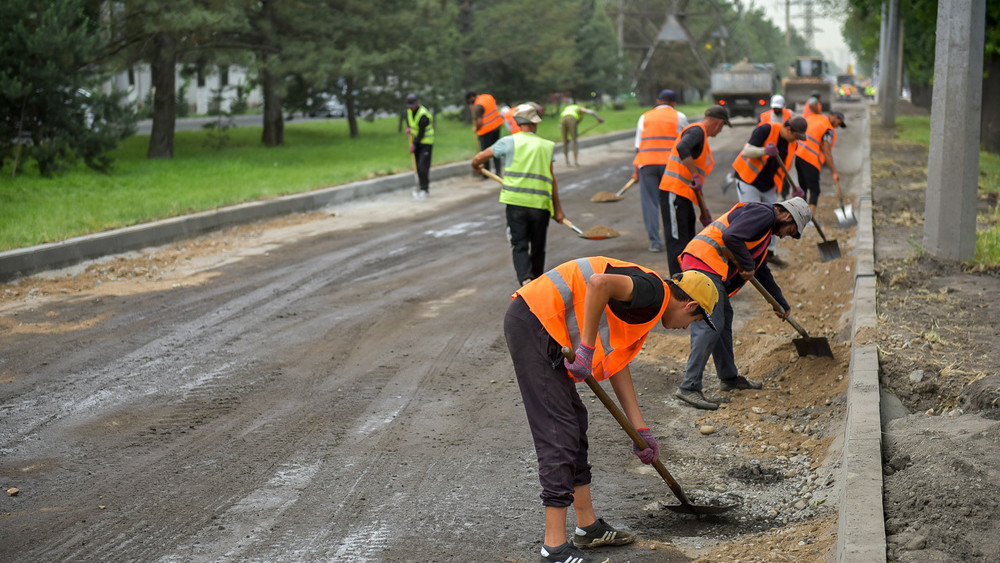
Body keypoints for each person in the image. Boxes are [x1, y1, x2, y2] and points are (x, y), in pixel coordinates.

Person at [505, 257, 719, 562]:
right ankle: (553, 548)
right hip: (536, 321)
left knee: (574, 423)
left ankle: (588, 527)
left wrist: (640, 429)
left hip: (544, 326)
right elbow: (598, 283)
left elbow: (618, 363)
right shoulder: (654, 292)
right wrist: (587, 348)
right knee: (558, 432)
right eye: (696, 320)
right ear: (690, 305)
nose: (688, 327)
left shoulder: (648, 306)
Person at [674, 198, 812, 410]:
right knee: (711, 322)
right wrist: (746, 264)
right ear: (787, 216)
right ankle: (689, 387)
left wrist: (780, 303)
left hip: (710, 266)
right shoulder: (764, 214)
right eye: (791, 231)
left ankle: (729, 378)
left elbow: (761, 269)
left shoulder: (764, 232)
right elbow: (731, 236)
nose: (785, 236)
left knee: (723, 318)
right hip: (704, 262)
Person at [472, 103, 564, 286]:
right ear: (535, 123)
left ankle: (525, 279)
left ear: (518, 123)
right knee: (538, 247)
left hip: (516, 204)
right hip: (540, 205)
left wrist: (476, 165)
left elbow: (480, 157)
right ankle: (536, 282)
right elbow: (552, 179)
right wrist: (558, 210)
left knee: (519, 244)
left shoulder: (508, 142)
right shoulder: (546, 146)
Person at [657, 105, 730, 277]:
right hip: (673, 193)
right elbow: (683, 148)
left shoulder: (701, 136)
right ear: (719, 123)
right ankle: (677, 284)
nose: (720, 131)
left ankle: (687, 280)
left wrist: (704, 210)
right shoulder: (697, 131)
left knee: (687, 239)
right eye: (722, 127)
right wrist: (695, 174)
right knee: (677, 241)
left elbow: (695, 183)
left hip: (683, 196)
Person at [731, 115, 808, 265]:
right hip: (748, 179)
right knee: (751, 217)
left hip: (769, 184)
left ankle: (769, 253)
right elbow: (747, 151)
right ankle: (748, 254)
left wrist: (796, 186)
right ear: (787, 128)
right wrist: (764, 151)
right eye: (795, 135)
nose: (795, 139)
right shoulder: (766, 129)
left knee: (775, 217)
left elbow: (789, 167)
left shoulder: (792, 144)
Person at [631, 89, 689, 253]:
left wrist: (636, 171)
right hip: (670, 166)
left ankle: (655, 242)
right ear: (673, 103)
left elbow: (638, 146)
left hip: (647, 165)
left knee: (650, 204)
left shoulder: (644, 117)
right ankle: (674, 241)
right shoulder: (680, 117)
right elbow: (687, 141)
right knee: (670, 203)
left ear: (658, 101)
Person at [795, 110, 846, 217]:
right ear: (835, 117)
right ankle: (809, 218)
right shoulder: (828, 129)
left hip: (799, 155)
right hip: (811, 160)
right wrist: (834, 172)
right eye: (838, 123)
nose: (837, 126)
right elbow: (827, 151)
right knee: (815, 189)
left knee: (803, 187)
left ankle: (799, 215)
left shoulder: (815, 118)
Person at [467, 91, 505, 176]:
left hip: (486, 131)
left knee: (485, 154)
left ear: (471, 98)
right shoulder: (488, 97)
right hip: (497, 126)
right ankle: (498, 171)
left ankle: (486, 174)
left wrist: (476, 128)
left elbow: (479, 122)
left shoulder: (477, 106)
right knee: (496, 150)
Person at [405, 93, 434, 200]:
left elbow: (421, 133)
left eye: (413, 106)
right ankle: (420, 188)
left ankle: (425, 189)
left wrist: (414, 144)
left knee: (422, 167)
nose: (412, 109)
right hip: (417, 142)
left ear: (418, 103)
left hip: (426, 142)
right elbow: (411, 123)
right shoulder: (408, 111)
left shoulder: (423, 115)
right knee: (417, 166)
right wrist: (409, 129)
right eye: (410, 106)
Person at [559, 102, 604, 166]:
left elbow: (561, 126)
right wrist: (598, 118)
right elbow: (592, 112)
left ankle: (567, 160)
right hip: (571, 119)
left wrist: (567, 138)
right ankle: (575, 161)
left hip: (562, 120)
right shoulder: (578, 108)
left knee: (565, 141)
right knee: (574, 141)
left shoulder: (567, 109)